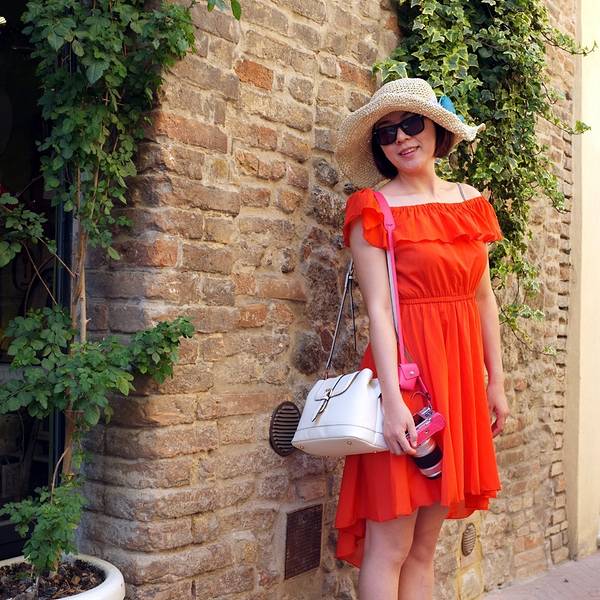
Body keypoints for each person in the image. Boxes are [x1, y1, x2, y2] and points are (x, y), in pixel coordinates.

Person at [333, 78, 509, 599]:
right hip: (407, 385)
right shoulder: (372, 207)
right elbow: (379, 310)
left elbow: (483, 299)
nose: (402, 139)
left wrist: (496, 381)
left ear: (436, 128)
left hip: (458, 381)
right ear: (379, 147)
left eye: (411, 124)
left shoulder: (470, 202)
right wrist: (391, 401)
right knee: (389, 546)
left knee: (424, 549)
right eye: (387, 133)